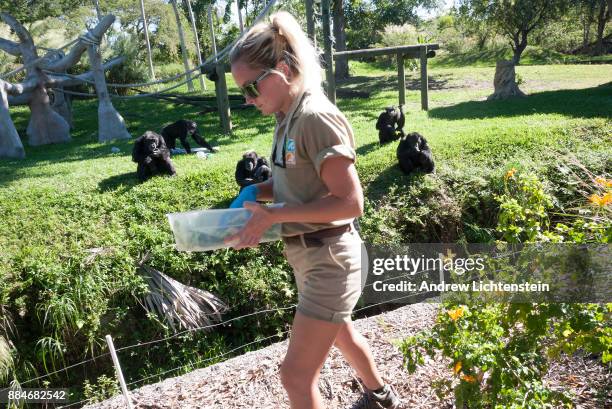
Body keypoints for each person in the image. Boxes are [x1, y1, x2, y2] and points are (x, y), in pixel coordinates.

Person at [225, 11, 401, 409]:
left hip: (331, 259)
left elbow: (351, 202)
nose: (249, 99)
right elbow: (298, 183)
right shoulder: (286, 117)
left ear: (283, 69)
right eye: (243, 92)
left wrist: (273, 216)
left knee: (295, 377)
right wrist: (258, 192)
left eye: (252, 86)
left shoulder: (315, 117)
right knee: (342, 333)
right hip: (308, 255)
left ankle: (380, 396)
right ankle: (382, 396)